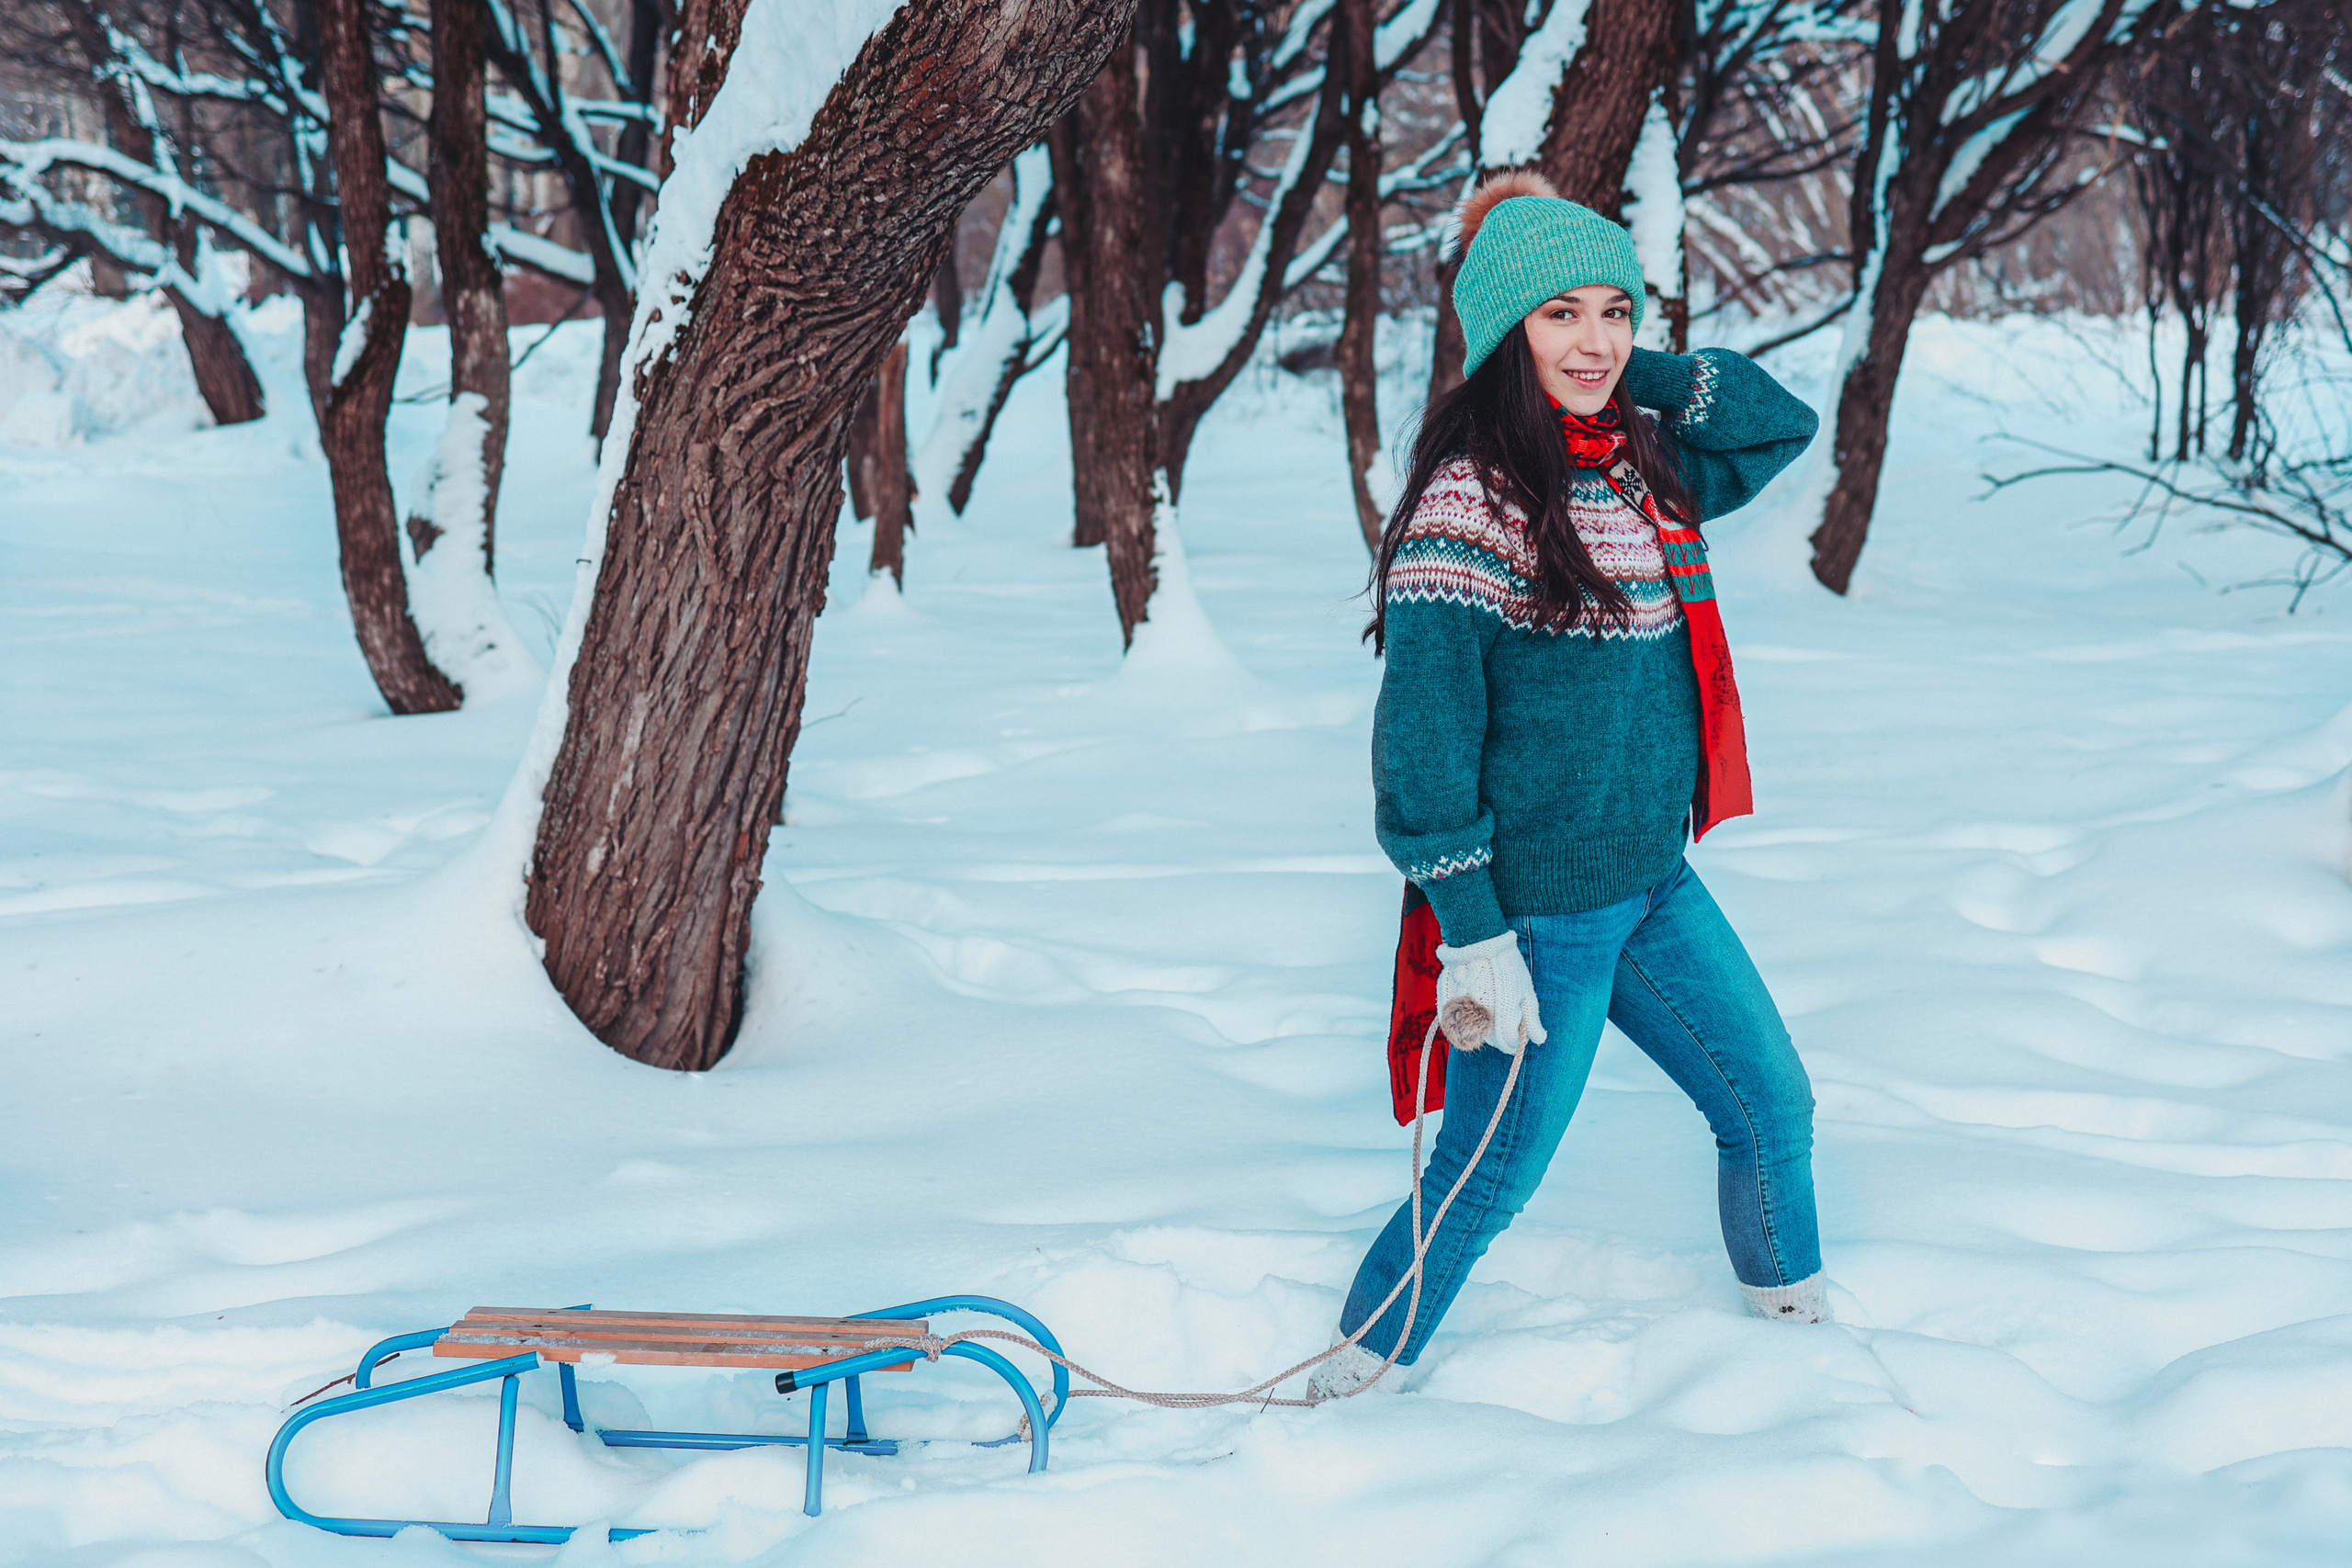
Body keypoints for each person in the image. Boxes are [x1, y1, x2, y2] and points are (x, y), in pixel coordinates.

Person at [1311, 170, 1826, 1401]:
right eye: (1559, 315)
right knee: (1483, 1184)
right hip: (1537, 919)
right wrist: (1472, 935)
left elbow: (1776, 421)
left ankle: (1804, 1341)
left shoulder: (1638, 472)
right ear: (1503, 333)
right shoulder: (1467, 509)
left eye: (1613, 309)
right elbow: (1420, 755)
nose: (1595, 338)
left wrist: (1620, 371)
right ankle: (1349, 1376)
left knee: (1771, 1107)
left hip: (1654, 881)